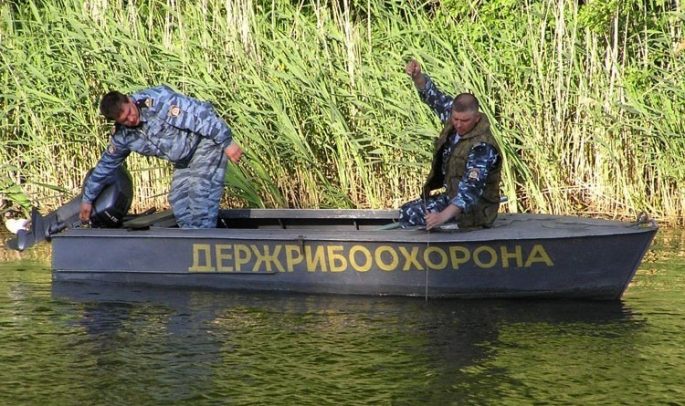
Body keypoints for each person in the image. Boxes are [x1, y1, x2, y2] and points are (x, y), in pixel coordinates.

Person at [79, 85, 243, 228]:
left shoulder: (158, 102)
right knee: (180, 203)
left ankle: (206, 246)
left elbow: (198, 116)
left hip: (205, 142)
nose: (132, 119)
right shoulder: (122, 135)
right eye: (125, 120)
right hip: (184, 159)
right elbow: (106, 166)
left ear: (129, 100)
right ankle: (191, 245)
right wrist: (88, 199)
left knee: (200, 199)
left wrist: (226, 141)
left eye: (130, 113)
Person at [400, 59, 502, 230]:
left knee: (416, 217)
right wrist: (417, 77)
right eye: (455, 119)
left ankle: (453, 226)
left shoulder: (482, 147)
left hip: (475, 209)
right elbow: (435, 98)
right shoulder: (454, 119)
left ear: (477, 118)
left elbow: (470, 190)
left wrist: (441, 217)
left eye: (465, 121)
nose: (459, 125)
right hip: (452, 197)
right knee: (408, 211)